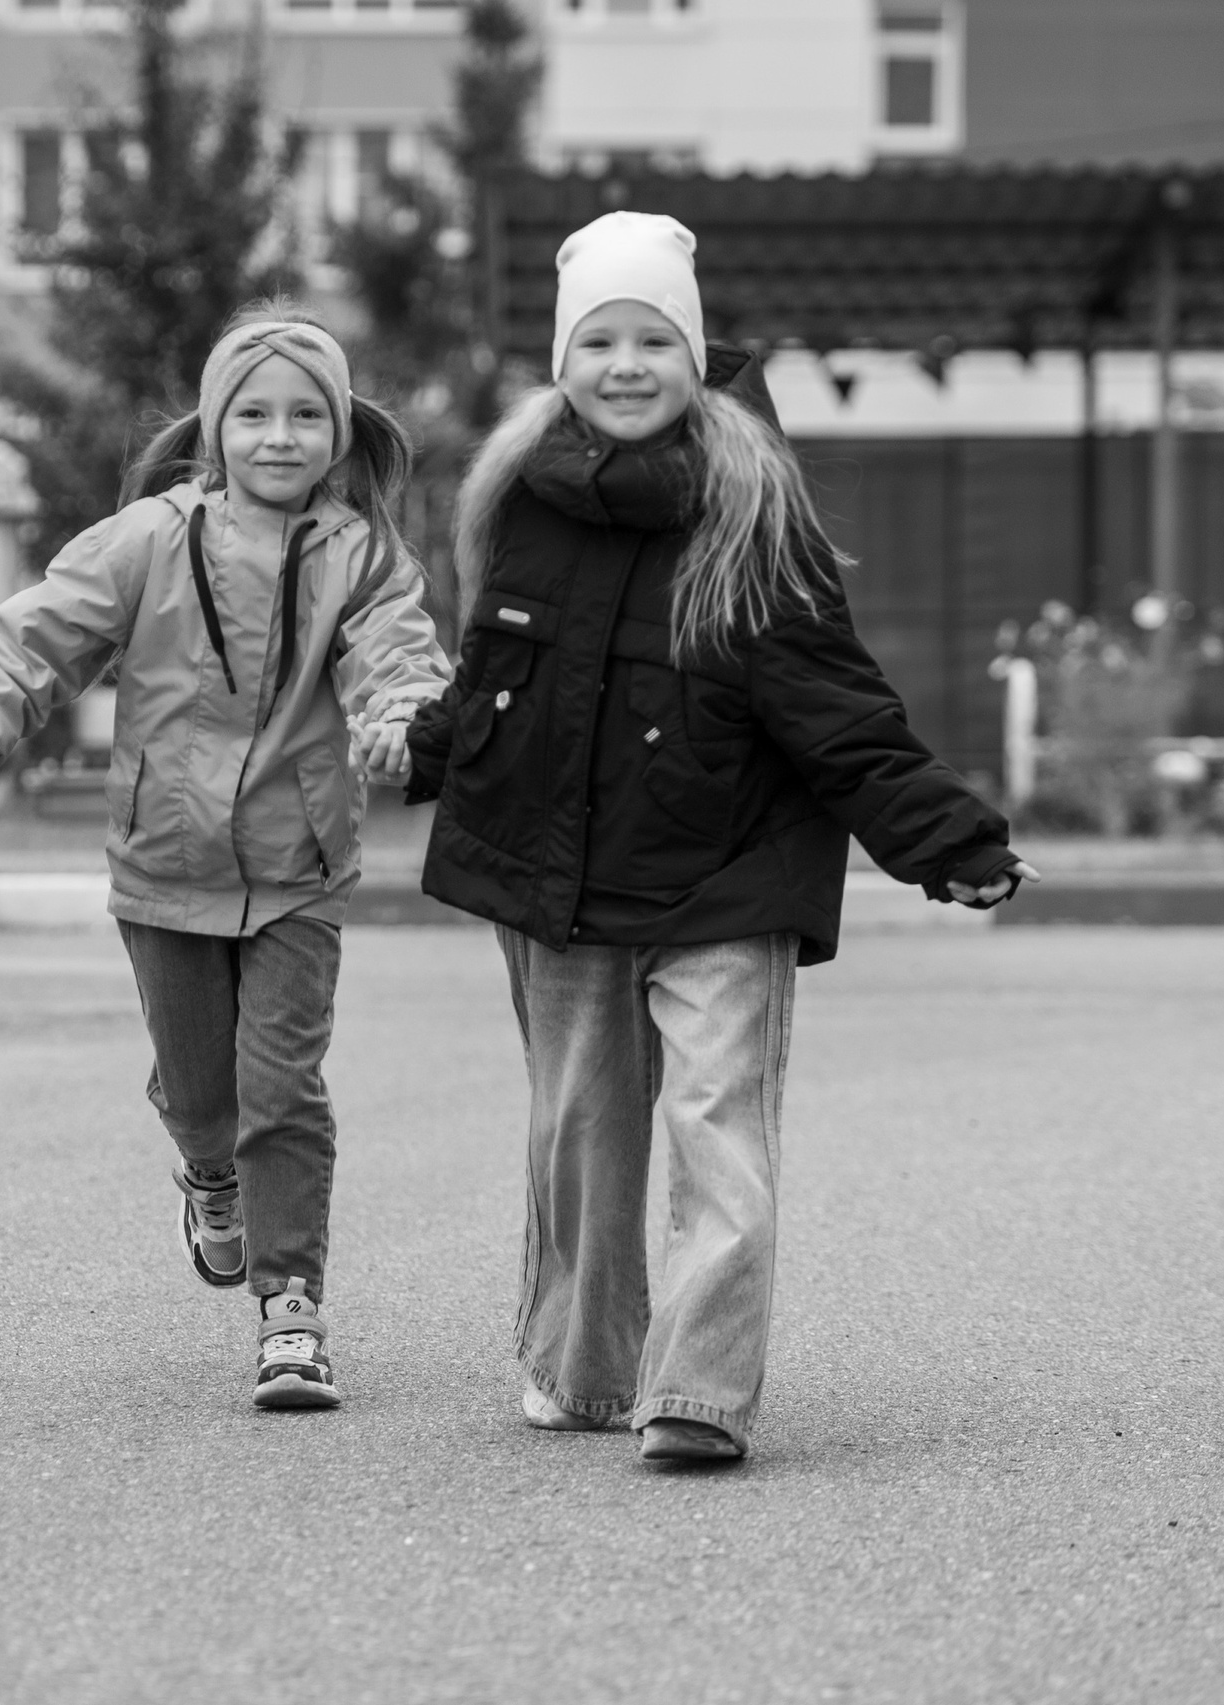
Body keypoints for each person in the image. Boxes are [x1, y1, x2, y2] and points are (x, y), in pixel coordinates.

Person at [403, 212, 1039, 1464]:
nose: (625, 364)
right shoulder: (515, 496)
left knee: (717, 1131)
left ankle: (694, 1392)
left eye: (653, 338)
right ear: (561, 358)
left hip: (726, 880)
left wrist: (945, 839)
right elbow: (492, 671)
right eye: (599, 340)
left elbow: (839, 710)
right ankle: (581, 1375)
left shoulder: (754, 514)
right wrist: (423, 750)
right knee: (578, 1139)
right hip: (560, 879)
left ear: (695, 355)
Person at [0, 306, 449, 1410]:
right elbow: (37, 636)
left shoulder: (363, 556)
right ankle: (208, 1175)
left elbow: (397, 654)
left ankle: (291, 1308)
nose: (279, 435)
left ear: (341, 435)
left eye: (308, 415)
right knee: (205, 1096)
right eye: (252, 413)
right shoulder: (148, 539)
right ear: (214, 430)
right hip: (165, 863)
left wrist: (400, 715)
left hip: (300, 866)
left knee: (283, 1089)